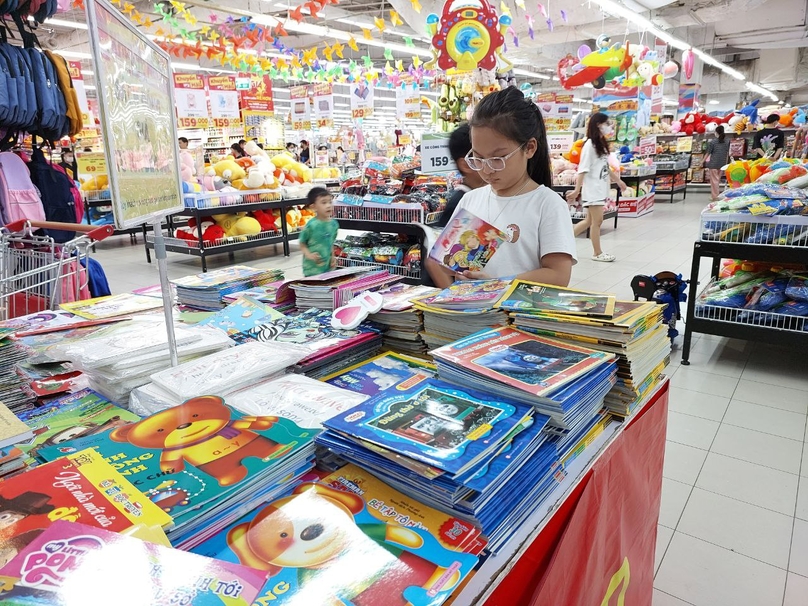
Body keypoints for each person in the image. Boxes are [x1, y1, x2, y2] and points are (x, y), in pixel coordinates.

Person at [425, 87, 577, 289]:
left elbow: (558, 275)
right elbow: (444, 265)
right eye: (478, 158)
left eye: (497, 159)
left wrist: (498, 283)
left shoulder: (547, 204)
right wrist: (450, 261)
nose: (487, 170)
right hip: (474, 314)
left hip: (519, 317)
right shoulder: (470, 199)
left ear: (529, 148)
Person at [565, 112, 627, 263]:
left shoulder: (600, 145)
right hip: (593, 190)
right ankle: (597, 253)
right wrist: (577, 190)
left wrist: (618, 181)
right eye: (607, 124)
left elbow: (606, 167)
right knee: (597, 222)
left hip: (599, 189)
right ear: (599, 125)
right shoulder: (589, 146)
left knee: (588, 222)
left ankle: (563, 243)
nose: (609, 127)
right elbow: (583, 169)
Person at [434, 122, 486, 229]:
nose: (493, 164)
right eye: (484, 158)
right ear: (466, 164)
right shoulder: (459, 206)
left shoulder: (482, 196)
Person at [299, 187, 339, 277]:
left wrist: (332, 257)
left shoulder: (334, 225)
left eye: (330, 202)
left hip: (327, 267)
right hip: (312, 268)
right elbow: (302, 243)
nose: (328, 205)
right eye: (324, 202)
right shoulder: (311, 226)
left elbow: (330, 243)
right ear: (313, 207)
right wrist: (308, 254)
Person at [705, 125, 730, 201]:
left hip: (713, 164)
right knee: (717, 180)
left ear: (716, 132)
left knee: (714, 182)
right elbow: (727, 153)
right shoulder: (727, 141)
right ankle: (716, 195)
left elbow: (708, 153)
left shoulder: (713, 142)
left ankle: (715, 196)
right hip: (722, 164)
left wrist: (702, 162)